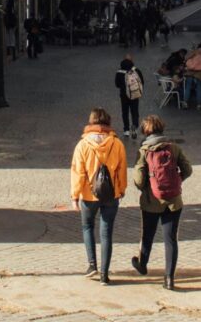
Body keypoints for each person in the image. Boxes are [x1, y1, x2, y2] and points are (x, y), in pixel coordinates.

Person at [132, 114, 192, 290]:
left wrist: (147, 187)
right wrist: (177, 180)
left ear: (145, 131)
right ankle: (169, 278)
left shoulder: (144, 151)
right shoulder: (173, 148)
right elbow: (188, 169)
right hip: (173, 201)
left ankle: (143, 264)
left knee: (147, 235)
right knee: (171, 239)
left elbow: (138, 179)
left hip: (151, 201)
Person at [70, 107, 127, 284]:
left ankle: (92, 264)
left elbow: (78, 172)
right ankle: (104, 273)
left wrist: (75, 195)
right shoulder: (116, 144)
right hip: (111, 194)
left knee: (87, 227)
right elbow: (122, 170)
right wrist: (121, 189)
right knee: (106, 232)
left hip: (89, 193)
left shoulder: (83, 145)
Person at [114, 54, 144, 138]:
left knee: (125, 112)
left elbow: (117, 84)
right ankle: (134, 126)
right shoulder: (136, 70)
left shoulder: (119, 72)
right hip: (135, 94)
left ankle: (126, 130)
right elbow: (142, 82)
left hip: (124, 95)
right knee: (135, 112)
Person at [182, 43, 201, 110]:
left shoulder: (193, 51)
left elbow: (186, 58)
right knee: (199, 88)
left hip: (190, 72)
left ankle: (185, 103)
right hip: (200, 74)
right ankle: (199, 105)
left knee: (188, 87)